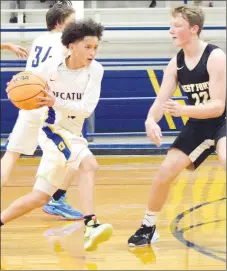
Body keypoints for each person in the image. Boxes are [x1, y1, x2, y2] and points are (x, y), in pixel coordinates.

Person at [0, 19, 113, 251]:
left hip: (73, 132)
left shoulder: (96, 71)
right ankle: (91, 225)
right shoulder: (51, 67)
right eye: (87, 47)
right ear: (71, 46)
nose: (92, 52)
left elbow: (87, 109)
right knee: (89, 164)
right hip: (51, 130)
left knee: (40, 197)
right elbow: (26, 80)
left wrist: (56, 101)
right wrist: (15, 85)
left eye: (95, 48)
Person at [128, 5, 226, 247]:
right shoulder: (176, 63)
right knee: (164, 173)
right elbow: (161, 100)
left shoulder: (215, 57)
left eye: (177, 26)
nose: (171, 30)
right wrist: (150, 120)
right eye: (171, 25)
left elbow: (218, 107)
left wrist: (183, 110)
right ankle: (148, 227)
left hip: (223, 120)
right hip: (199, 124)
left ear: (194, 29)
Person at [1, 1, 83, 220]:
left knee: (11, 156)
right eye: (72, 22)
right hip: (48, 107)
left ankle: (55, 198)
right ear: (59, 23)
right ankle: (57, 199)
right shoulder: (67, 43)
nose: (75, 27)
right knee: (77, 153)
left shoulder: (39, 40)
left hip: (28, 104)